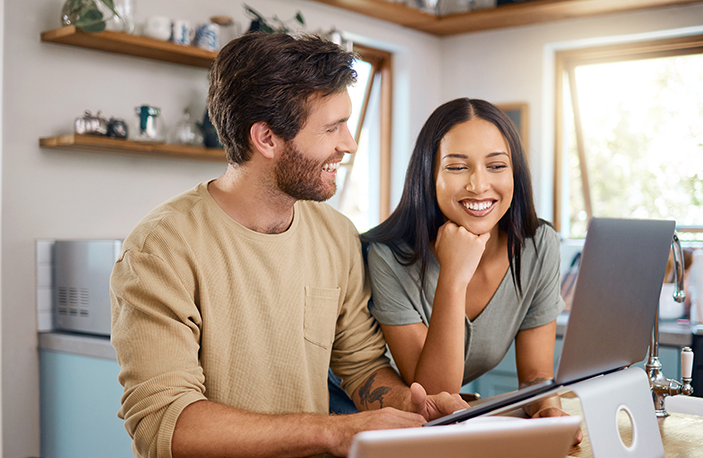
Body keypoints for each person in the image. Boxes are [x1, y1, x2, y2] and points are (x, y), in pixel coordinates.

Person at [109, 33, 467, 458]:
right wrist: (335, 432)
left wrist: (413, 405)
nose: (348, 143)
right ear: (266, 139)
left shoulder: (336, 234)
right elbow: (164, 426)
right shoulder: (160, 249)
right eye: (332, 128)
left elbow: (362, 367)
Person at [362, 98, 580, 436]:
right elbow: (434, 398)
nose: (479, 185)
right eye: (457, 166)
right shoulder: (387, 256)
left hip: (440, 430)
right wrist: (452, 278)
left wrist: (548, 409)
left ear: (515, 174)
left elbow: (536, 374)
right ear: (429, 175)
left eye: (496, 166)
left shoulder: (538, 245)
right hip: (372, 423)